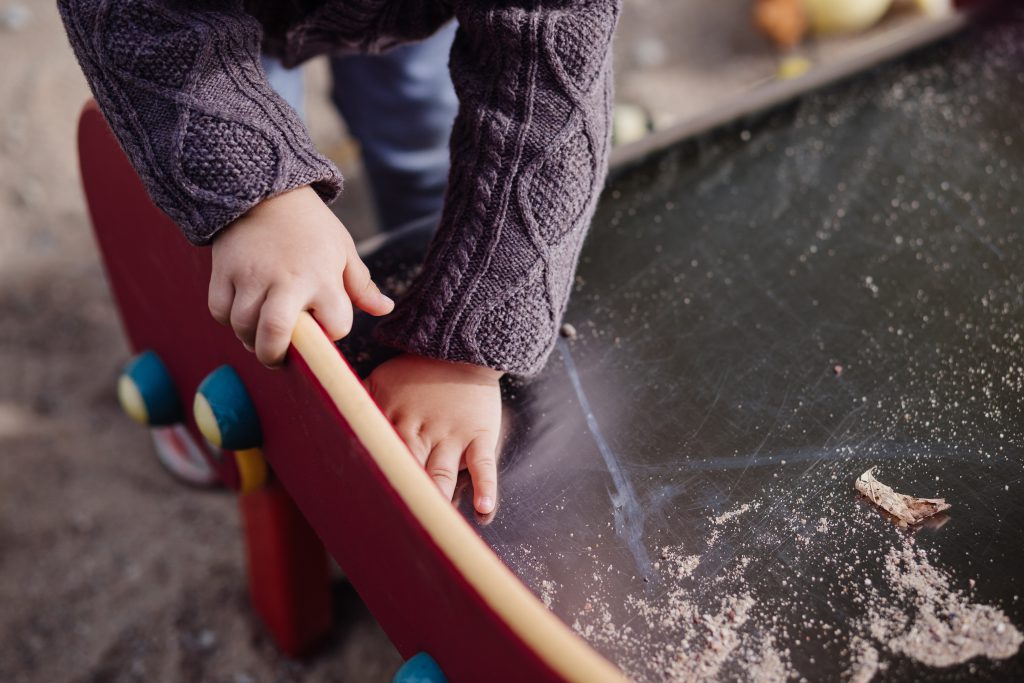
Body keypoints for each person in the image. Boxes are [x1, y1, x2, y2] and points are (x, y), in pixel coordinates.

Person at [58, 0, 621, 516]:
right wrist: (256, 192)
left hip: (404, 13)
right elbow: (142, 18)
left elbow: (547, 94)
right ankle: (205, 364)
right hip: (201, 14)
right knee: (215, 200)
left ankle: (421, 251)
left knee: (419, 133)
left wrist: (464, 348)